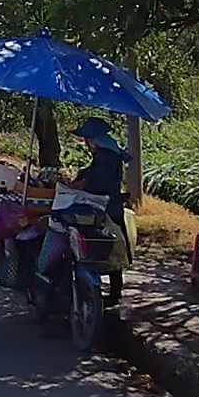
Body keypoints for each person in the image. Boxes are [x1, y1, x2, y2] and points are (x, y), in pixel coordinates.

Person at [68, 117, 131, 305]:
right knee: (110, 248)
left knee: (110, 248)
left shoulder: (106, 157)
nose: (86, 144)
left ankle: (113, 292)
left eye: (86, 140)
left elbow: (96, 182)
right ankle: (114, 290)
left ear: (93, 140)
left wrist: (79, 184)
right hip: (109, 206)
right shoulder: (107, 154)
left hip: (107, 209)